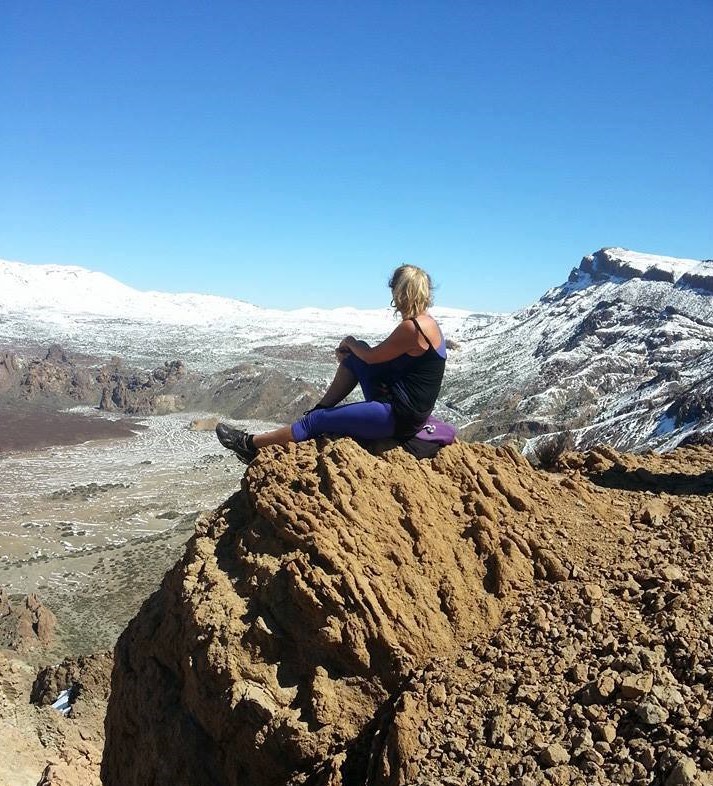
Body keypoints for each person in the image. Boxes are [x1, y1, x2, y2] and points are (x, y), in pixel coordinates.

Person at [215, 264, 447, 463]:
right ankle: (321, 409)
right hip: (400, 404)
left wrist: (350, 342)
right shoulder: (427, 324)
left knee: (315, 422)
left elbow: (371, 357)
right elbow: (383, 361)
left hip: (397, 417)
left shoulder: (414, 328)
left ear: (400, 291)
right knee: (354, 356)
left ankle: (248, 444)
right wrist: (353, 352)